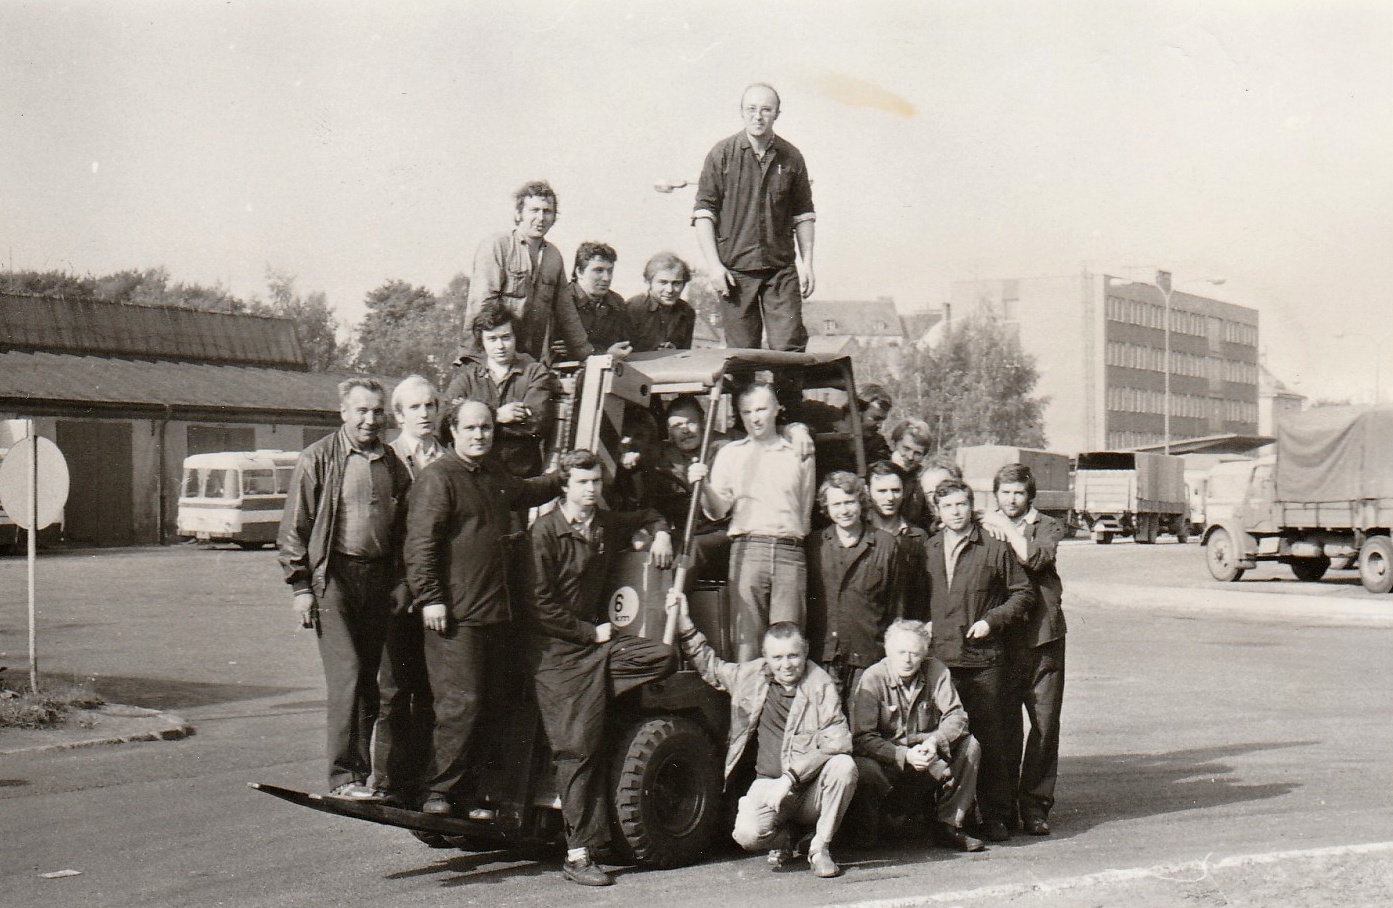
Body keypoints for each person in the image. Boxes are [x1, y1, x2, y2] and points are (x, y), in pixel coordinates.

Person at [403, 399, 561, 816]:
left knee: (491, 705)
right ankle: (437, 793)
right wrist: (430, 597)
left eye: (486, 427)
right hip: (456, 617)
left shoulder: (493, 475)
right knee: (461, 705)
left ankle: (472, 796)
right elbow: (420, 545)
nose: (479, 435)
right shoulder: (439, 478)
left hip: (495, 614)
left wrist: (566, 476)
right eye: (471, 428)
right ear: (452, 431)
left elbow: (529, 491)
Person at [526, 450, 676, 886]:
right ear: (564, 486)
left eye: (596, 482)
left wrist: (661, 534)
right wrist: (588, 633)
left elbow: (647, 514)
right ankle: (578, 855)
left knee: (662, 657)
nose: (591, 490)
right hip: (557, 654)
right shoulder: (545, 532)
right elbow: (539, 605)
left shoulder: (604, 524)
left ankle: (592, 706)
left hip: (597, 652)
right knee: (577, 751)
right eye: (582, 482)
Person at [277, 378, 411, 799]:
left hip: (380, 579)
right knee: (348, 672)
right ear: (343, 413)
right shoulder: (317, 458)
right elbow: (294, 529)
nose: (370, 419)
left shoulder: (392, 462)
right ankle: (344, 776)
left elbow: (405, 530)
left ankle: (362, 776)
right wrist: (301, 587)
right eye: (362, 411)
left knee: (370, 680)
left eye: (377, 411)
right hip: (333, 577)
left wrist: (402, 581)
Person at [667, 589, 857, 879]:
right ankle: (789, 840)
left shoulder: (820, 684)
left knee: (844, 766)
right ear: (765, 656)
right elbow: (711, 667)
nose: (786, 664)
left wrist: (790, 778)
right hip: (768, 785)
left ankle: (820, 847)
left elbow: (839, 741)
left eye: (793, 656)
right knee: (746, 834)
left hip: (810, 789)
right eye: (777, 657)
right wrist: (684, 623)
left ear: (805, 651)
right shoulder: (751, 676)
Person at [921, 479, 1033, 842]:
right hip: (941, 661)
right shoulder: (928, 548)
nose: (955, 512)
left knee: (990, 740)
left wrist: (991, 621)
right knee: (948, 740)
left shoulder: (994, 547)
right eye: (947, 506)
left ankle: (997, 815)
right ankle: (956, 815)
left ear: (971, 506)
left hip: (984, 660)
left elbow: (1023, 594)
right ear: (937, 511)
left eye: (961, 504)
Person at [688, 382, 815, 660]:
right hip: (748, 551)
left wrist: (798, 429)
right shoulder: (731, 454)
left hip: (790, 553)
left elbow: (805, 511)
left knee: (789, 644)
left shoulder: (799, 451)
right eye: (746, 412)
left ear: (777, 409)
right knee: (746, 643)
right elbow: (717, 511)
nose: (755, 418)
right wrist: (704, 485)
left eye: (761, 409)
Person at [693, 82, 816, 351]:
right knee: (742, 354)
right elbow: (703, 215)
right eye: (751, 109)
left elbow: (804, 215)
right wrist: (714, 266)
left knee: (789, 348)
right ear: (741, 112)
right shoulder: (721, 155)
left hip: (780, 272)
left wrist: (807, 265)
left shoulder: (792, 157)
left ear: (777, 114)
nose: (758, 116)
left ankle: (788, 383)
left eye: (766, 110)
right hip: (735, 273)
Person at [981, 463, 1068, 837]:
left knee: (1044, 725)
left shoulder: (1047, 526)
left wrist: (1007, 530)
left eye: (1019, 492)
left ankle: (1034, 806)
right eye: (1005, 492)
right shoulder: (985, 525)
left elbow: (1037, 558)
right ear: (996, 494)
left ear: (1030, 495)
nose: (1012, 499)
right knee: (1004, 728)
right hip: (1003, 639)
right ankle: (1000, 810)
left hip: (1043, 638)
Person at [848, 620, 984, 852]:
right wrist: (904, 755)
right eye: (901, 652)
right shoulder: (873, 678)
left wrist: (935, 741)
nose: (907, 660)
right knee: (863, 768)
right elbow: (862, 738)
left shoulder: (936, 671)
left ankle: (950, 825)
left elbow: (957, 716)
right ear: (888, 651)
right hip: (888, 763)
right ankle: (868, 830)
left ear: (925, 653)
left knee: (970, 746)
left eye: (915, 653)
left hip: (927, 758)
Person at [374, 375, 445, 804]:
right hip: (398, 594)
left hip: (437, 594)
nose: (424, 414)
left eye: (430, 405)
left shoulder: (449, 460)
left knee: (434, 691)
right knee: (395, 689)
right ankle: (388, 783)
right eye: (414, 407)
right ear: (399, 415)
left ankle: (427, 783)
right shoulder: (384, 461)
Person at [463, 180, 594, 364]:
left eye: (547, 211)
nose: (541, 218)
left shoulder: (553, 256)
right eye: (534, 210)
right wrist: (478, 360)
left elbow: (566, 312)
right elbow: (482, 308)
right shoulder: (497, 246)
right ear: (519, 213)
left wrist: (587, 355)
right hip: (492, 356)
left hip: (529, 360)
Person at [806, 472, 901, 702]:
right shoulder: (814, 544)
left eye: (849, 502)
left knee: (864, 720)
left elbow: (897, 606)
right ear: (826, 507)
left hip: (868, 656)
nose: (844, 510)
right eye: (836, 504)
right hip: (825, 656)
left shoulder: (886, 544)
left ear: (861, 502)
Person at [444, 300, 557, 479]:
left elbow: (536, 424)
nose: (500, 346)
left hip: (521, 477)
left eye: (506, 337)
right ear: (482, 341)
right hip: (475, 476)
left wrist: (472, 425)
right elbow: (444, 423)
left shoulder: (534, 372)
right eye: (492, 339)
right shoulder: (467, 378)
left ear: (515, 337)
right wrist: (496, 416)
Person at [865, 460, 930, 622]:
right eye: (882, 491)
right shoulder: (858, 533)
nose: (890, 498)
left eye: (895, 490)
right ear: (867, 491)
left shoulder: (917, 537)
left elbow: (923, 592)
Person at [560, 242, 633, 359]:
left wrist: (603, 354)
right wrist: (605, 354)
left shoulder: (616, 302)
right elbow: (556, 350)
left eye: (610, 271)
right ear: (579, 272)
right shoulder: (561, 300)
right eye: (598, 270)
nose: (606, 278)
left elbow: (622, 345)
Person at [623, 251, 697, 352]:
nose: (669, 290)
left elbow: (685, 352)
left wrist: (675, 352)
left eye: (676, 283)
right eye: (663, 282)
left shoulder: (687, 312)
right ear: (648, 282)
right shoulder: (632, 308)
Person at [887, 418, 932, 528]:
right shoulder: (877, 472)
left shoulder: (923, 479)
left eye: (917, 453)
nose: (910, 457)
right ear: (894, 444)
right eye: (906, 448)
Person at [917, 454, 964, 534]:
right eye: (929, 493)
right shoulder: (924, 532)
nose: (934, 498)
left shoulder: (980, 527)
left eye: (942, 490)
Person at [856, 384, 893, 464]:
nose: (880, 426)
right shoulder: (835, 436)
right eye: (876, 419)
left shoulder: (878, 442)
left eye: (882, 420)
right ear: (858, 412)